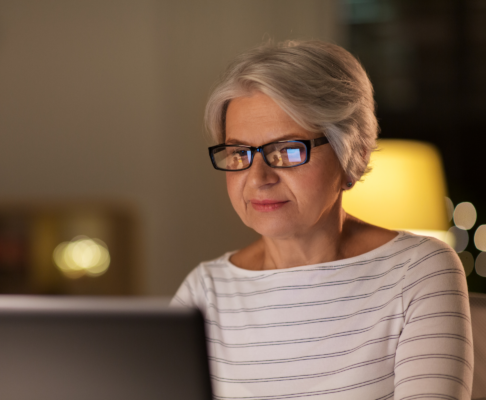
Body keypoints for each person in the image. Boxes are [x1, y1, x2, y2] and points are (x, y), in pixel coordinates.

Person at [171, 40, 473, 399]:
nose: (258, 178)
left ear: (352, 152)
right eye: (239, 153)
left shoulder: (419, 271)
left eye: (286, 150)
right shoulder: (205, 290)